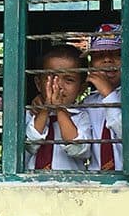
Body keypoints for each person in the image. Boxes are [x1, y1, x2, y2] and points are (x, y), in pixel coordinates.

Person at [25, 46, 92, 170]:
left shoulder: (82, 116)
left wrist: (60, 110)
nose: (59, 86)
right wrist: (45, 109)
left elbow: (77, 149)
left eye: (69, 80)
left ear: (81, 89)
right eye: (52, 78)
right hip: (32, 186)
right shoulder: (31, 112)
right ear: (39, 84)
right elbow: (31, 145)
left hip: (70, 186)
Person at [81, 23, 123, 171]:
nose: (107, 60)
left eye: (117, 54)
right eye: (99, 55)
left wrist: (108, 94)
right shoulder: (88, 103)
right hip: (97, 181)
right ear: (91, 64)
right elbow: (80, 147)